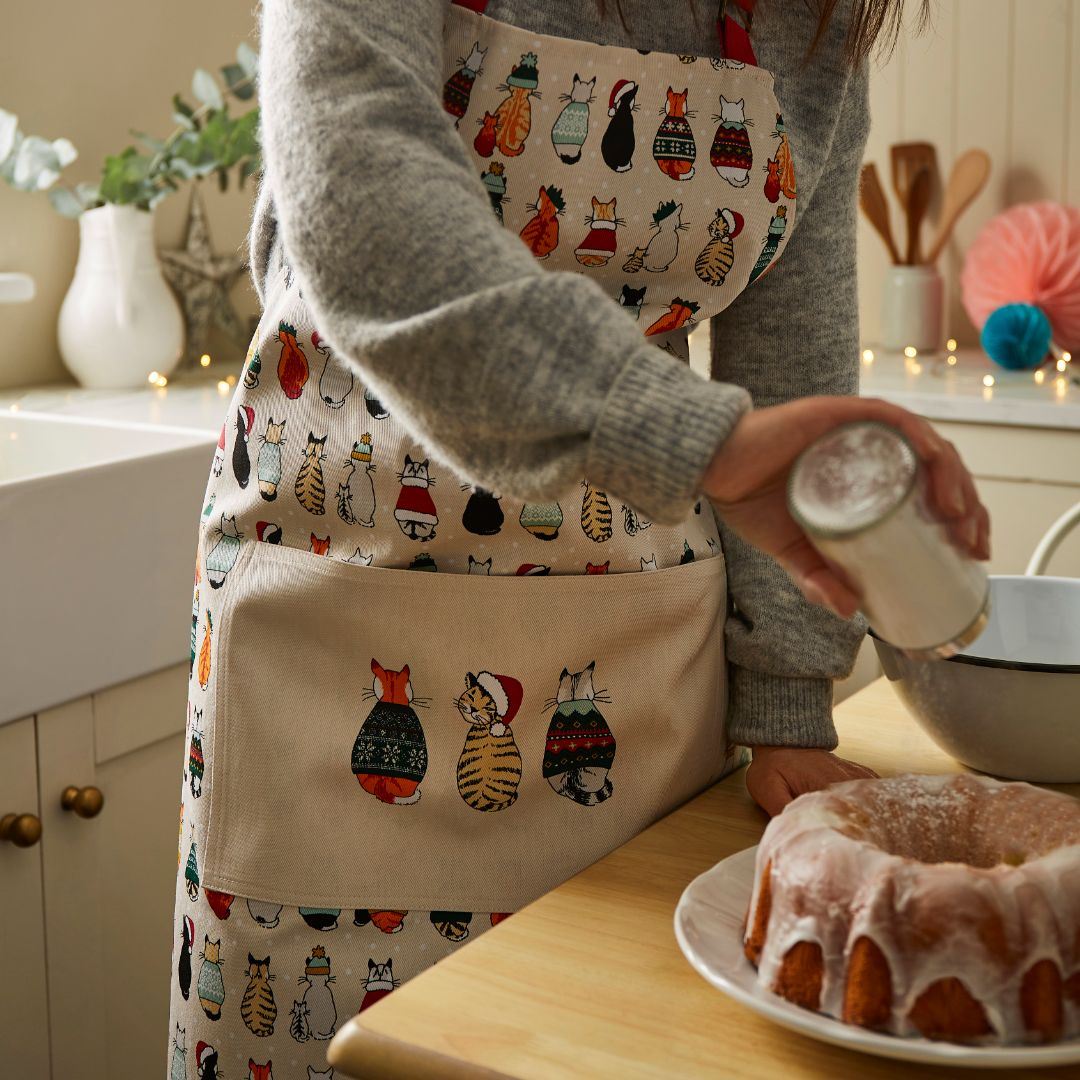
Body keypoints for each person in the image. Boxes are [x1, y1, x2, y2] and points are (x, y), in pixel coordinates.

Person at [168, 0, 988, 1073]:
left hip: (635, 694)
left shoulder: (809, 24)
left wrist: (790, 700)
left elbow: (792, 356)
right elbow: (363, 200)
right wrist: (692, 438)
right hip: (331, 650)